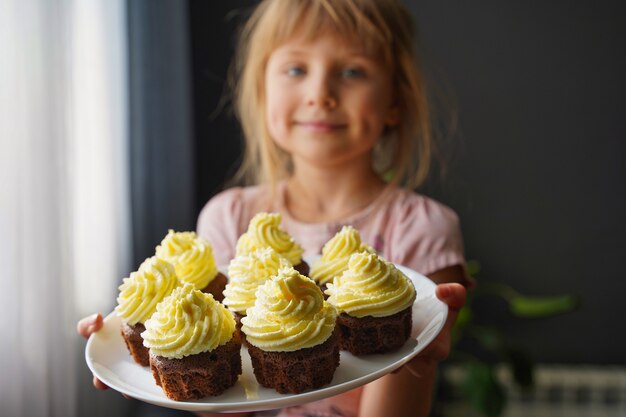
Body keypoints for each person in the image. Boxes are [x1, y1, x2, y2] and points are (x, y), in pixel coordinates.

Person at [78, 1, 471, 416]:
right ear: (262, 92)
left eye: (353, 71)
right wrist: (144, 371)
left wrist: (414, 359)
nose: (320, 94)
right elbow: (228, 394)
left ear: (396, 97)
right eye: (296, 69)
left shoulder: (422, 229)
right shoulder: (228, 220)